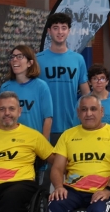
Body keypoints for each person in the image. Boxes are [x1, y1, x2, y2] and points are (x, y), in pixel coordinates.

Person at [38, 12, 89, 144]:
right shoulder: (38, 60)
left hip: (71, 124)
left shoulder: (78, 59)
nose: (60, 32)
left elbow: (86, 94)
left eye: (63, 27)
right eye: (55, 28)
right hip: (44, 125)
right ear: (49, 31)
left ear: (69, 31)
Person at [0, 45, 53, 139]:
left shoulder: (41, 86)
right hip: (11, 143)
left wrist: (43, 145)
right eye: (13, 57)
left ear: (29, 63)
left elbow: (48, 119)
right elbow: (1, 117)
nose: (15, 59)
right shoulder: (5, 87)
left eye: (20, 56)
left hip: (35, 143)